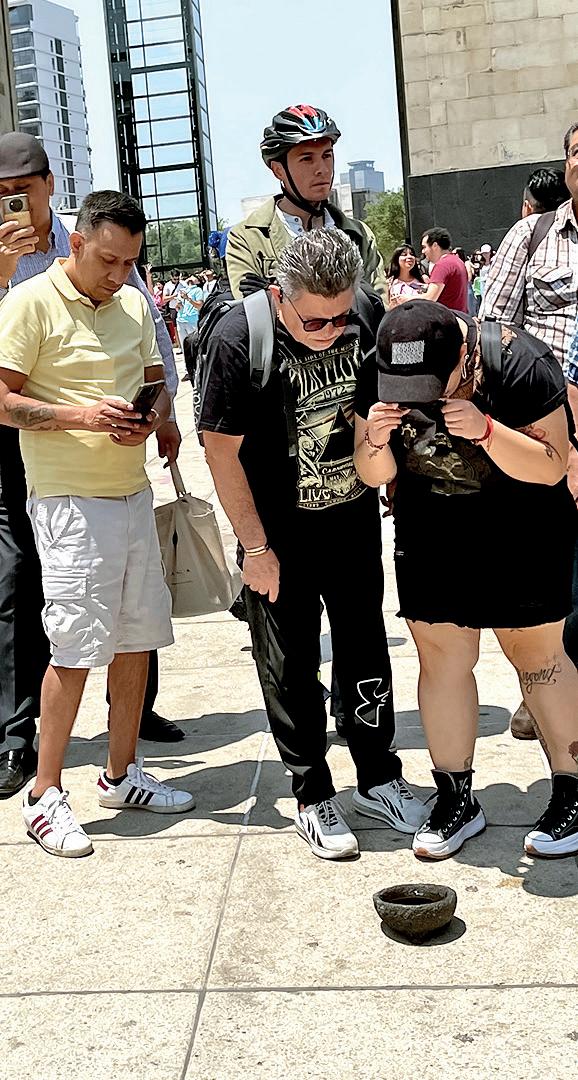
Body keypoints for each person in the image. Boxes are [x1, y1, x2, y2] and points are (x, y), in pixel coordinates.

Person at [197, 228, 427, 861]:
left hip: (350, 520)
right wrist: (254, 548)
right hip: (278, 534)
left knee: (366, 648)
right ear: (280, 295)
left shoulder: (362, 315)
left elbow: (377, 409)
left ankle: (377, 777)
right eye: (315, 320)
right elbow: (220, 451)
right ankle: (313, 792)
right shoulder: (238, 339)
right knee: (291, 665)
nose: (331, 330)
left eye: (340, 317)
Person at [0, 190, 196, 857]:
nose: (119, 274)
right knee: (75, 649)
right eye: (108, 260)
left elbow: (157, 381)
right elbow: (2, 400)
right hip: (68, 502)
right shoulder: (29, 303)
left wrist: (152, 419)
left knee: (137, 640)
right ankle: (44, 793)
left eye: (130, 262)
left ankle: (120, 773)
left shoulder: (134, 304)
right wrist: (80, 416)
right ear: (77, 243)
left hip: (130, 492)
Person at [354, 299, 578, 860]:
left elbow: (552, 465)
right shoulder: (380, 370)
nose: (418, 398)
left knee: (539, 658)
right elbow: (374, 473)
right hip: (432, 535)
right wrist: (375, 442)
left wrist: (487, 432)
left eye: (431, 384)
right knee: (441, 660)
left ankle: (573, 791)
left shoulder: (521, 362)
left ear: (462, 354)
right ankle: (455, 797)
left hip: (524, 532)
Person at [226, 104, 387, 299]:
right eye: (307, 159)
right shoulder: (247, 238)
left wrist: (279, 295)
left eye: (327, 156)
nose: (322, 169)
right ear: (279, 170)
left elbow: (379, 305)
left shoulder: (359, 235)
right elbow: (249, 310)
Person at [480, 123, 578, 371]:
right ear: (567, 164)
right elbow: (494, 330)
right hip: (550, 390)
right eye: (577, 152)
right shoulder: (529, 233)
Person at [421, 227, 469, 313]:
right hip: (460, 316)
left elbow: (430, 298)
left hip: (447, 318)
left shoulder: (442, 265)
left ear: (435, 246)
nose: (423, 251)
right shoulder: (458, 261)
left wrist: (406, 298)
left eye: (424, 247)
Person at [176, 274, 203, 352]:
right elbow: (177, 308)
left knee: (194, 345)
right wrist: (178, 305)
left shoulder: (198, 290)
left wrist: (188, 298)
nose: (191, 278)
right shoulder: (182, 290)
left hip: (192, 320)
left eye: (195, 277)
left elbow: (200, 305)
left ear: (198, 281)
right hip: (180, 320)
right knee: (184, 346)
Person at [162, 268, 182, 345]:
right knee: (176, 327)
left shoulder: (182, 284)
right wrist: (174, 296)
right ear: (171, 277)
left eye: (178, 279)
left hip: (182, 308)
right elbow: (164, 299)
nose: (176, 280)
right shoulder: (167, 285)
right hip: (173, 308)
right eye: (174, 279)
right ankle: (179, 344)